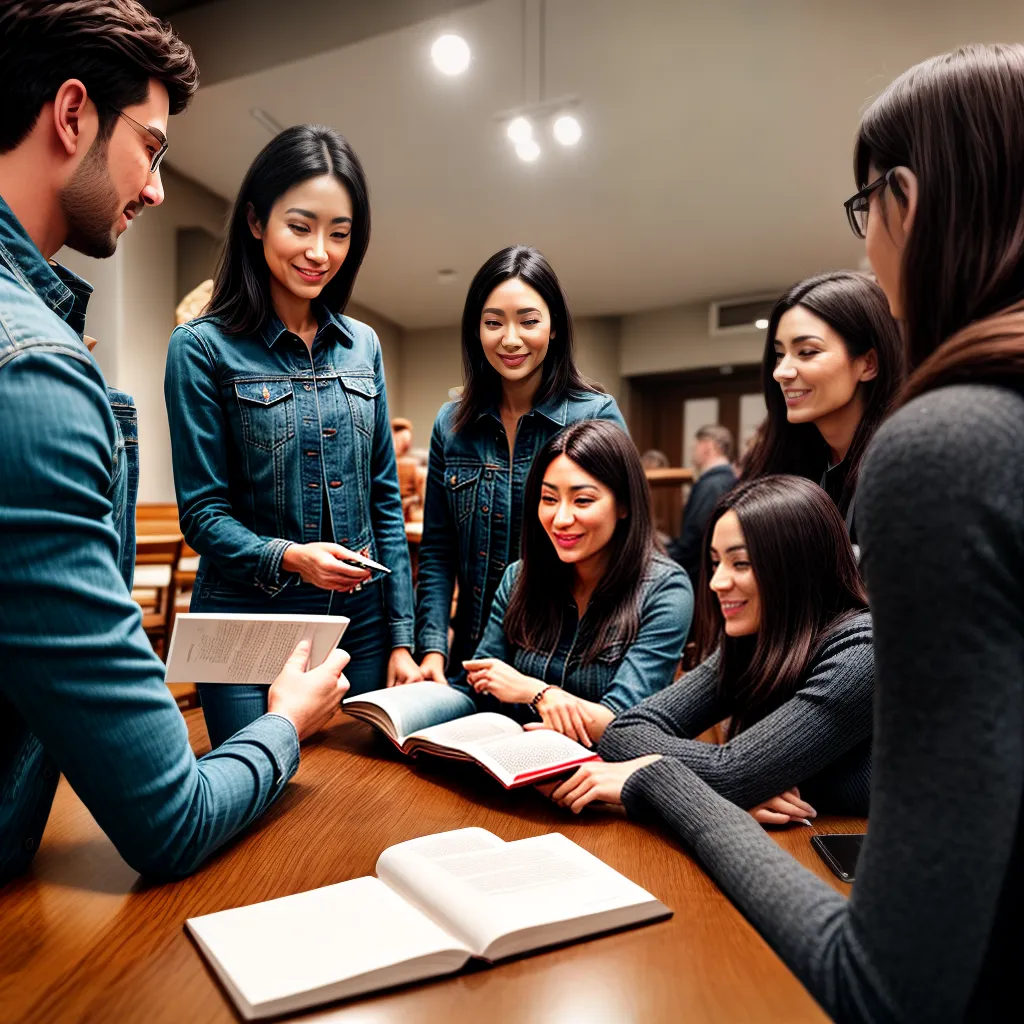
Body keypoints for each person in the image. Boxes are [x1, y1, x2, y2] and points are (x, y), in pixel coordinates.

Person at [560, 44, 1024, 1023]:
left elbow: (885, 988)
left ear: (909, 201)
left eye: (866, 208)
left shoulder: (947, 449)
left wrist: (665, 782)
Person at [0, 0, 349, 885]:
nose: (155, 188)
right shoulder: (34, 371)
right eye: (150, 147)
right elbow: (168, 815)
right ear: (72, 114)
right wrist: (287, 720)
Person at [165, 125, 420, 750]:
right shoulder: (200, 348)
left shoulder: (363, 346)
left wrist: (402, 636)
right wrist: (292, 557)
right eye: (300, 227)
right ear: (256, 222)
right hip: (246, 616)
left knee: (359, 792)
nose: (319, 252)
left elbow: (384, 501)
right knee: (256, 783)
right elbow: (203, 515)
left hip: (360, 622)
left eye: (340, 233)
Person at [545, 475, 872, 819]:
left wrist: (728, 784)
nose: (717, 582)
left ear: (798, 567)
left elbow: (733, 771)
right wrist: (730, 788)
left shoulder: (862, 652)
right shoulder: (753, 640)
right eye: (716, 563)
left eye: (740, 563)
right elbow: (623, 732)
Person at [414, 246, 627, 683]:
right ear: (476, 330)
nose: (510, 339)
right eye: (493, 322)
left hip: (560, 661)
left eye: (529, 321)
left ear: (554, 328)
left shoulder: (595, 415)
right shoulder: (450, 425)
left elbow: (622, 542)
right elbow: (437, 550)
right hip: (470, 658)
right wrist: (432, 649)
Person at [464, 420, 692, 746]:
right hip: (508, 757)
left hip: (603, 772)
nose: (561, 519)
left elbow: (623, 723)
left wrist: (537, 692)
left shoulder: (665, 589)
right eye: (549, 498)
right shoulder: (519, 578)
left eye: (582, 500)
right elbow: (483, 684)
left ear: (624, 505)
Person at [741, 270, 904, 540]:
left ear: (868, 364)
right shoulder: (785, 461)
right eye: (779, 354)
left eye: (807, 352)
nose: (781, 372)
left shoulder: (898, 467)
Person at [667, 424, 737, 583]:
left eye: (696, 446)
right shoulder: (727, 479)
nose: (693, 451)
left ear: (707, 446)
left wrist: (666, 555)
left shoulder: (712, 485)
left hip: (699, 573)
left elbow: (695, 537)